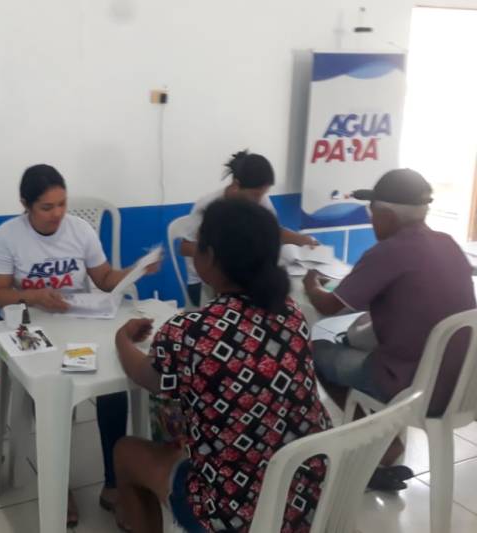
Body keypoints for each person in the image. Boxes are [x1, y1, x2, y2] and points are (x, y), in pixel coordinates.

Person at [113, 198, 331, 533]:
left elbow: (145, 376)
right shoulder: (291, 313)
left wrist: (122, 340)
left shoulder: (191, 331)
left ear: (211, 257)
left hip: (235, 513)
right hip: (309, 496)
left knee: (125, 452)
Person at [0, 163, 158, 526]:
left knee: (113, 384)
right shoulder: (7, 235)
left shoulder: (79, 229)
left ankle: (113, 484)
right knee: (52, 390)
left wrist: (135, 270)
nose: (57, 214)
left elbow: (105, 279)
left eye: (62, 203)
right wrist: (35, 296)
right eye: (46, 207)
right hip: (32, 325)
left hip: (79, 321)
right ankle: (57, 485)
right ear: (26, 205)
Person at [303, 168, 476, 487]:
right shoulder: (448, 243)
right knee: (355, 344)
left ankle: (379, 445)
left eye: (372, 214)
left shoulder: (388, 252)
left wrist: (311, 284)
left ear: (386, 216)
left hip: (415, 387)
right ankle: (381, 436)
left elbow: (327, 306)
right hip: (464, 386)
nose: (371, 221)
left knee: (317, 353)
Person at [180, 150, 317, 308]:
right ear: (236, 185)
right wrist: (225, 254)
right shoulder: (208, 206)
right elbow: (184, 247)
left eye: (263, 194)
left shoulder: (260, 200)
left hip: (239, 278)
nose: (259, 200)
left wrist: (303, 239)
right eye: (255, 195)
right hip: (205, 281)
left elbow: (271, 230)